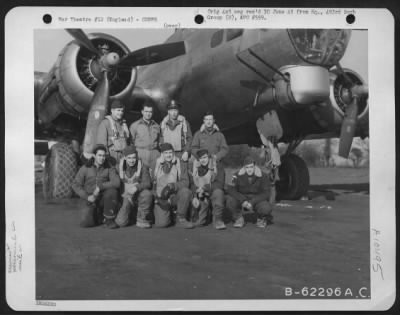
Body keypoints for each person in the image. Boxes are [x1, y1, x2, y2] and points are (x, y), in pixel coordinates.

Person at [72, 144, 121, 229]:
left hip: (103, 197)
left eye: (104, 155)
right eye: (99, 155)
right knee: (86, 223)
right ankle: (99, 215)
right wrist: (87, 197)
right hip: (90, 198)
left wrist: (100, 187)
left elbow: (117, 182)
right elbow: (75, 185)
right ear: (94, 155)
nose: (102, 158)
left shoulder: (109, 167)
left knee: (112, 191)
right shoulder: (85, 168)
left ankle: (109, 219)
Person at [152, 143, 194, 229]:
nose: (168, 155)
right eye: (166, 153)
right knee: (162, 224)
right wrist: (156, 197)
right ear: (162, 154)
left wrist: (174, 186)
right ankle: (160, 213)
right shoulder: (156, 164)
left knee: (186, 192)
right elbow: (152, 183)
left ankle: (180, 218)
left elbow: (185, 182)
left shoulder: (180, 163)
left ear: (173, 153)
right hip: (161, 197)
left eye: (170, 152)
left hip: (174, 195)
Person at [226, 156, 273, 228]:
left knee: (266, 208)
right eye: (247, 167)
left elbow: (266, 193)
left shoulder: (263, 176)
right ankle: (238, 218)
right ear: (244, 167)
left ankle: (261, 218)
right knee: (230, 200)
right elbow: (230, 189)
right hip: (241, 197)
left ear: (255, 166)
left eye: (251, 167)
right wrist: (242, 200)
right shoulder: (236, 175)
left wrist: (252, 202)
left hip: (256, 198)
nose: (249, 169)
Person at [114, 145, 153, 228]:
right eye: (129, 158)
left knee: (147, 194)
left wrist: (136, 187)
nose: (132, 160)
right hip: (125, 197)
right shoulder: (118, 167)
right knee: (121, 222)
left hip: (137, 196)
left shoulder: (142, 166)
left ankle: (141, 219)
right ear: (125, 157)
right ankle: (129, 215)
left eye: (134, 158)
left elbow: (147, 183)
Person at [189, 149, 226, 230]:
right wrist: (196, 192)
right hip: (200, 195)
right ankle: (202, 216)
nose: (203, 160)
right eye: (201, 158)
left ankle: (218, 219)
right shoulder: (194, 167)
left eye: (205, 157)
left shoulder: (218, 165)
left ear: (209, 157)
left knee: (218, 192)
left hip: (212, 192)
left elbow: (220, 183)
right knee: (199, 222)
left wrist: (204, 188)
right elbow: (191, 184)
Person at [96, 99, 129, 166]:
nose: (120, 113)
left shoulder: (123, 124)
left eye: (122, 111)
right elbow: (101, 144)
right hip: (111, 157)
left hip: (123, 157)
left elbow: (128, 141)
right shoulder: (105, 123)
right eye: (118, 110)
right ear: (112, 110)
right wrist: (107, 158)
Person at [129, 103, 161, 171]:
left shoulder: (157, 126)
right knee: (142, 176)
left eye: (150, 112)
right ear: (142, 112)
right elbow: (131, 142)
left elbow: (160, 141)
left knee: (154, 176)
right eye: (146, 111)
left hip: (154, 154)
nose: (148, 114)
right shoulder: (135, 125)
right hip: (140, 154)